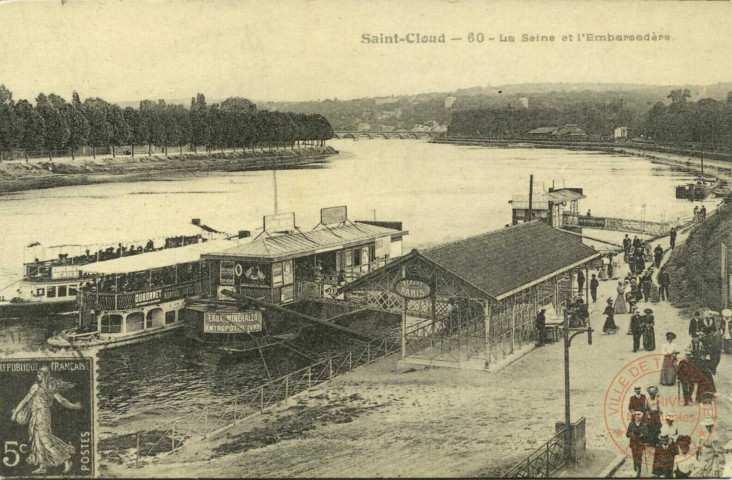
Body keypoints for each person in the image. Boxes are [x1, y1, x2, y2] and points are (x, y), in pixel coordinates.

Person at [10, 366, 82, 474]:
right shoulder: (48, 387)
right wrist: (73, 406)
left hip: (41, 414)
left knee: (46, 440)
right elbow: (61, 400)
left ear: (44, 375)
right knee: (37, 440)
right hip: (37, 414)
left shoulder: (39, 387)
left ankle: (66, 460)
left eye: (39, 374)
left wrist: (15, 413)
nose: (37, 376)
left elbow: (25, 401)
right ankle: (42, 466)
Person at [626, 410, 648, 478]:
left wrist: (642, 435)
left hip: (640, 443)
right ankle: (635, 466)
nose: (638, 418)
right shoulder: (631, 424)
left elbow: (647, 435)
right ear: (634, 417)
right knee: (634, 456)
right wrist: (632, 434)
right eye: (637, 417)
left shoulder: (644, 425)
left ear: (641, 418)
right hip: (633, 444)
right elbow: (627, 434)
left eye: (639, 417)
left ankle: (639, 470)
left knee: (639, 457)